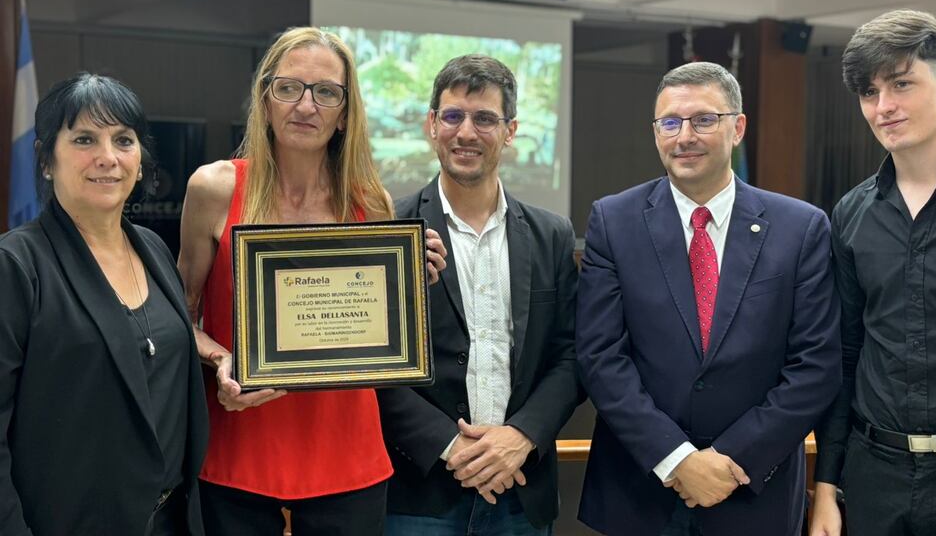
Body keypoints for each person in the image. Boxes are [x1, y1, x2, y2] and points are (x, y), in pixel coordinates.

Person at [177, 27, 445, 536]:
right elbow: (180, 319)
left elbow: (378, 329)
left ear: (345, 111)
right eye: (289, 87)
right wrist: (221, 359)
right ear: (265, 99)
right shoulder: (214, 187)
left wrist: (411, 284)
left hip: (347, 450)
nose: (306, 105)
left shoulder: (373, 203)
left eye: (326, 92)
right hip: (240, 442)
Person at [575, 61, 841, 536]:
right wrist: (677, 459)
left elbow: (815, 366)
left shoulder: (800, 228)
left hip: (752, 494)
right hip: (639, 493)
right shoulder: (613, 221)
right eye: (670, 123)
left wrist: (729, 460)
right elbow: (600, 358)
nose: (684, 137)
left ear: (737, 127)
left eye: (703, 120)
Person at [380, 54, 582, 535]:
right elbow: (372, 363)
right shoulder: (390, 230)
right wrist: (451, 446)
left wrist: (522, 436)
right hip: (417, 493)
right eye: (453, 116)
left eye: (485, 119)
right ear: (432, 125)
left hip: (522, 488)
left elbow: (573, 354)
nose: (466, 133)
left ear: (510, 131)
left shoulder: (552, 234)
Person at [0, 73, 209, 536]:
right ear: (46, 160)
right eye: (84, 139)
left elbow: (151, 357)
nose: (107, 158)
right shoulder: (15, 266)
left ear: (139, 159)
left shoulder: (153, 249)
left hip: (173, 519)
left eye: (123, 140)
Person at [809, 10, 936, 536]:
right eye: (869, 92)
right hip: (871, 474)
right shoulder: (851, 213)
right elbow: (845, 354)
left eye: (902, 84)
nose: (884, 107)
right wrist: (825, 488)